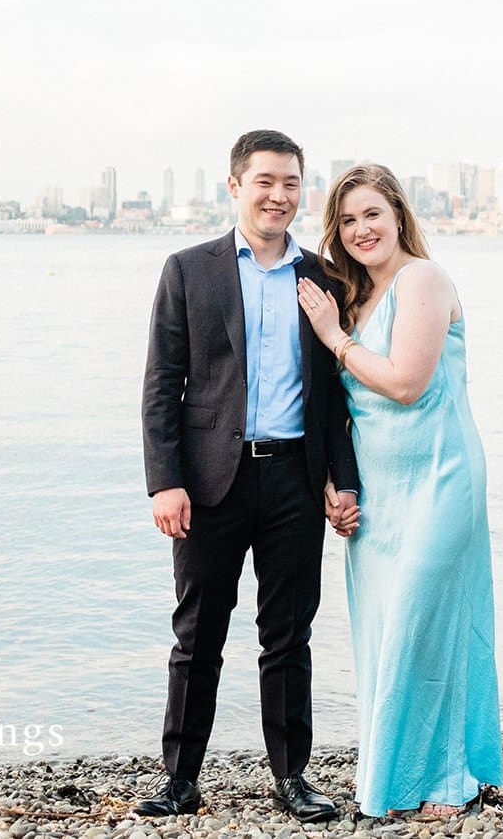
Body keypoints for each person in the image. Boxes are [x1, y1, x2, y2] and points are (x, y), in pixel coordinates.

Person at [137, 130, 363, 822]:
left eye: (291, 182)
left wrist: (341, 478)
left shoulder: (322, 278)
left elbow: (333, 398)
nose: (279, 195)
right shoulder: (188, 270)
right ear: (235, 186)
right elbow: (161, 387)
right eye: (265, 181)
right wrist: (163, 481)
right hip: (209, 484)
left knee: (288, 636)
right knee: (197, 635)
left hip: (294, 478)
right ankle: (180, 778)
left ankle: (292, 777)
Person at [294, 163, 503, 818]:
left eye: (371, 214)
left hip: (442, 479)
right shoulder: (352, 298)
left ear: (398, 214)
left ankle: (448, 777)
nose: (361, 230)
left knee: (429, 625)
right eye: (348, 220)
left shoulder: (424, 280)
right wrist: (338, 483)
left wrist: (334, 338)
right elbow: (344, 410)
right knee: (386, 632)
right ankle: (395, 772)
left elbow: (406, 381)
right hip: (380, 497)